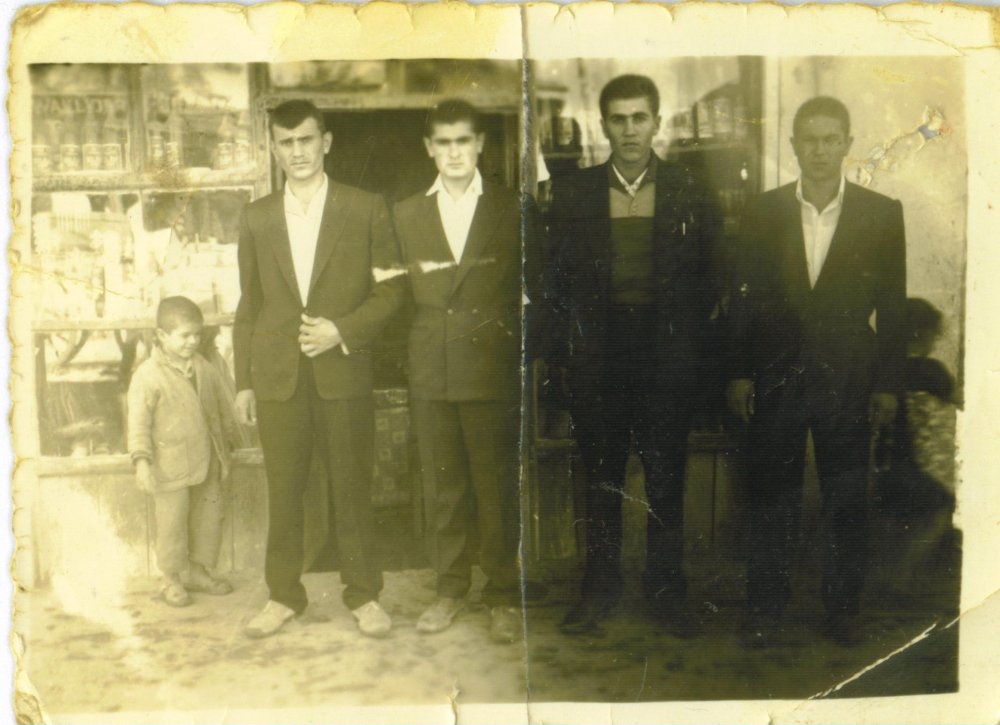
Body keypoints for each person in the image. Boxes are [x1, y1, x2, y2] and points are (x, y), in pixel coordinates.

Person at [726, 96, 907, 649]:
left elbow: (893, 307)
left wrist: (887, 386)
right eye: (810, 139)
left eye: (831, 139)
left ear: (848, 145)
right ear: (793, 146)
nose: (820, 150)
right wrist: (740, 372)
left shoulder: (881, 212)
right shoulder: (764, 211)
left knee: (846, 497)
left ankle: (843, 610)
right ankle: (764, 609)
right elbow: (744, 300)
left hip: (848, 376)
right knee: (771, 495)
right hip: (777, 372)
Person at [546, 75, 722, 636]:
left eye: (639, 118)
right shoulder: (574, 193)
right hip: (599, 361)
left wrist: (685, 349)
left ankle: (667, 593)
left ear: (657, 123)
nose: (629, 130)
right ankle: (599, 591)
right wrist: (570, 354)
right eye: (618, 119)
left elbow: (712, 280)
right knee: (600, 479)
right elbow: (553, 284)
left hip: (664, 360)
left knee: (666, 480)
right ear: (603, 126)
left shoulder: (690, 189)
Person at [233, 100, 404, 639]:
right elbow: (249, 304)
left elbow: (392, 290)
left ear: (325, 141)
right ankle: (283, 595)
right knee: (285, 492)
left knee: (351, 488)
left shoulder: (365, 207)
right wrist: (243, 382)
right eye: (286, 143)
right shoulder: (256, 216)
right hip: (277, 378)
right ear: (273, 149)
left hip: (342, 371)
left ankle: (364, 595)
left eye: (306, 139)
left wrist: (342, 330)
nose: (297, 152)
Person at [392, 100, 524, 643]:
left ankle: (502, 594)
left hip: (491, 366)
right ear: (429, 148)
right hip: (432, 368)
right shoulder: (405, 214)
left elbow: (532, 289)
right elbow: (395, 297)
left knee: (494, 487)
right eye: (443, 143)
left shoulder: (511, 207)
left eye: (463, 141)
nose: (454, 153)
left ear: (480, 145)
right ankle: (449, 590)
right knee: (444, 487)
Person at [127, 296, 240, 608]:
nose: (192, 341)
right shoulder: (148, 375)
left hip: (207, 461)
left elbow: (221, 408)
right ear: (161, 336)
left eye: (197, 335)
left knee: (207, 519)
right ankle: (171, 578)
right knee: (172, 524)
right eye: (184, 335)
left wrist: (228, 446)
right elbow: (138, 424)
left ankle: (197, 572)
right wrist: (142, 462)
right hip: (169, 466)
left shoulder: (203, 367)